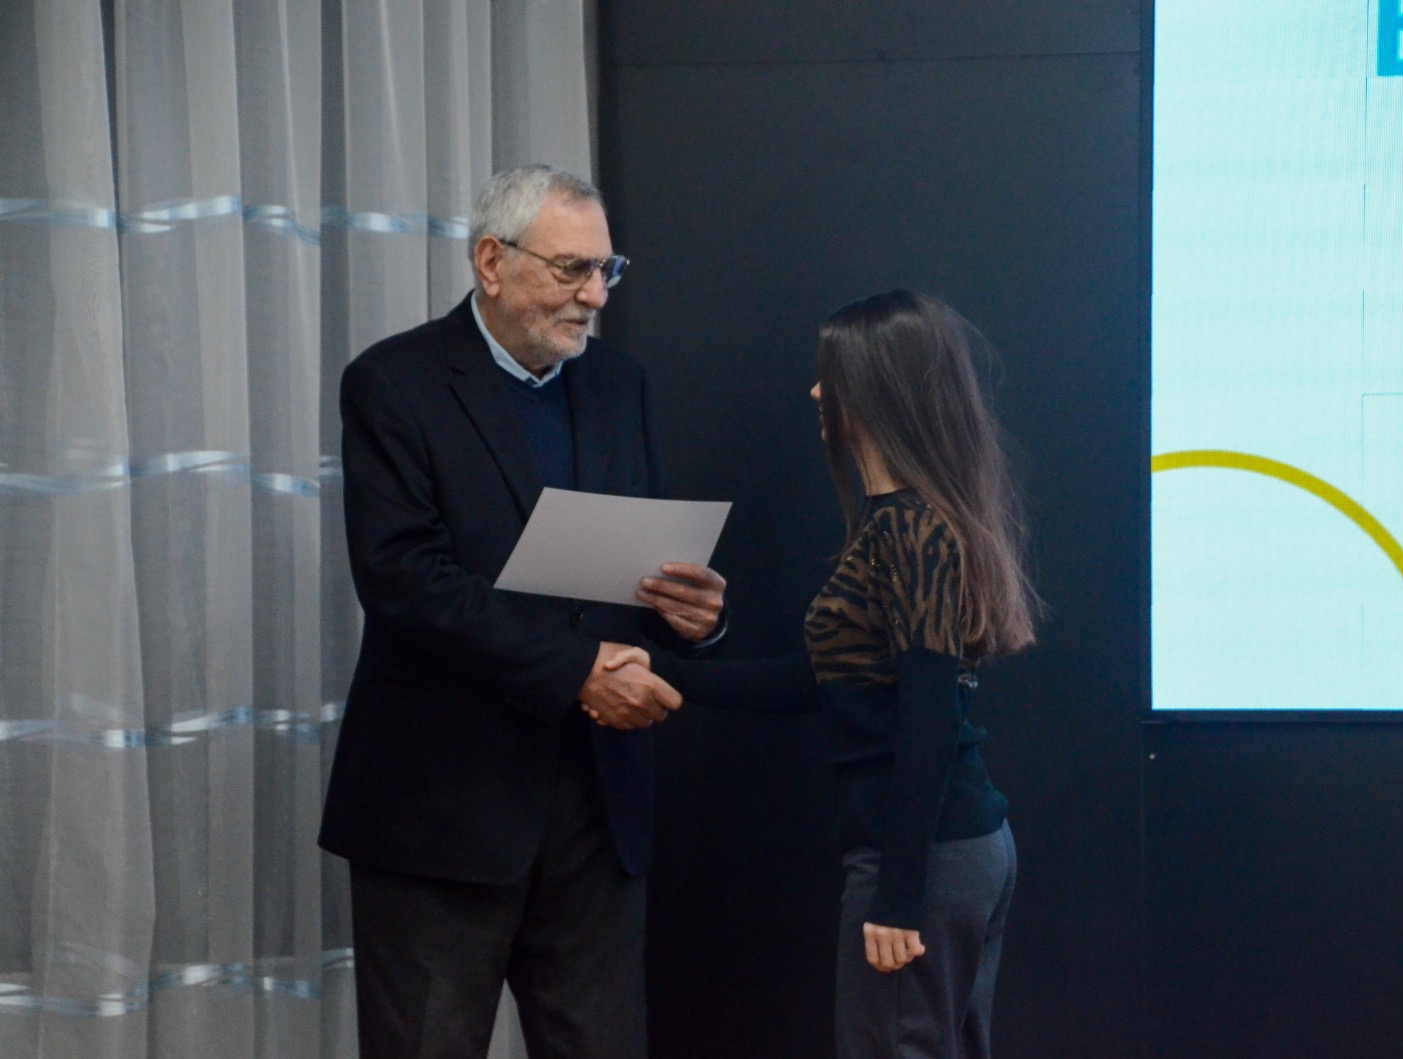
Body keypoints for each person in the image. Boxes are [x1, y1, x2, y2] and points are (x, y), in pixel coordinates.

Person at [318, 163, 726, 1059]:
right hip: (441, 810)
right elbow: (404, 579)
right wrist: (577, 672)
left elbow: (636, 565)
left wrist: (690, 614)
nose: (595, 297)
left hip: (597, 810)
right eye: (572, 269)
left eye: (607, 271)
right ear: (491, 262)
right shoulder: (393, 382)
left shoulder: (619, 383)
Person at [607, 290, 1040, 1058]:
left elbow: (929, 718)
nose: (815, 391)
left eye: (831, 374)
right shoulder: (901, 523)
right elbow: (823, 680)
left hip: (924, 857)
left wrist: (898, 896)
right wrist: (671, 672)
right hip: (949, 850)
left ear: (878, 387)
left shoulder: (908, 528)